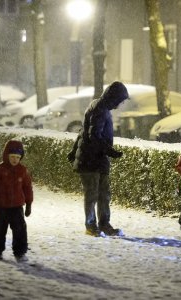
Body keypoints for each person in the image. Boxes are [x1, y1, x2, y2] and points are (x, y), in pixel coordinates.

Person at [68, 81, 129, 237]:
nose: (120, 104)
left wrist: (74, 151)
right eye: (120, 101)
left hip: (97, 159)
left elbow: (83, 132)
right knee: (93, 194)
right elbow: (93, 135)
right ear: (114, 98)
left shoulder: (100, 107)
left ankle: (103, 224)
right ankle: (91, 225)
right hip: (90, 160)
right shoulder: (100, 109)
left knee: (103, 194)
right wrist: (111, 151)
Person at [0, 140, 33, 261]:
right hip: (1, 206)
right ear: (6, 155)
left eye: (18, 157)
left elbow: (27, 187)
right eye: (12, 156)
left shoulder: (22, 170)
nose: (15, 160)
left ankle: (20, 252)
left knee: (20, 230)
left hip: (17, 207)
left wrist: (28, 204)